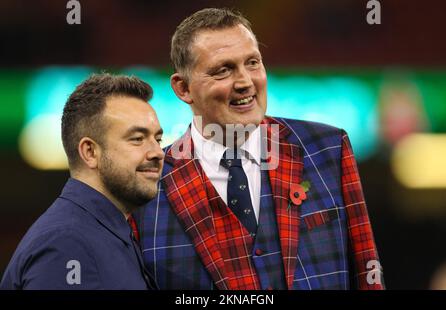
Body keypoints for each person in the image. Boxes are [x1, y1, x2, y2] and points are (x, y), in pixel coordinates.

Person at [137, 8, 384, 290]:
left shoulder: (328, 148)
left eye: (252, 63)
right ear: (183, 89)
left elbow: (367, 273)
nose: (245, 82)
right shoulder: (148, 183)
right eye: (223, 70)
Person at [1, 73, 164, 289]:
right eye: (137, 139)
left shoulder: (105, 232)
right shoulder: (68, 242)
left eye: (158, 139)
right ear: (90, 152)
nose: (157, 152)